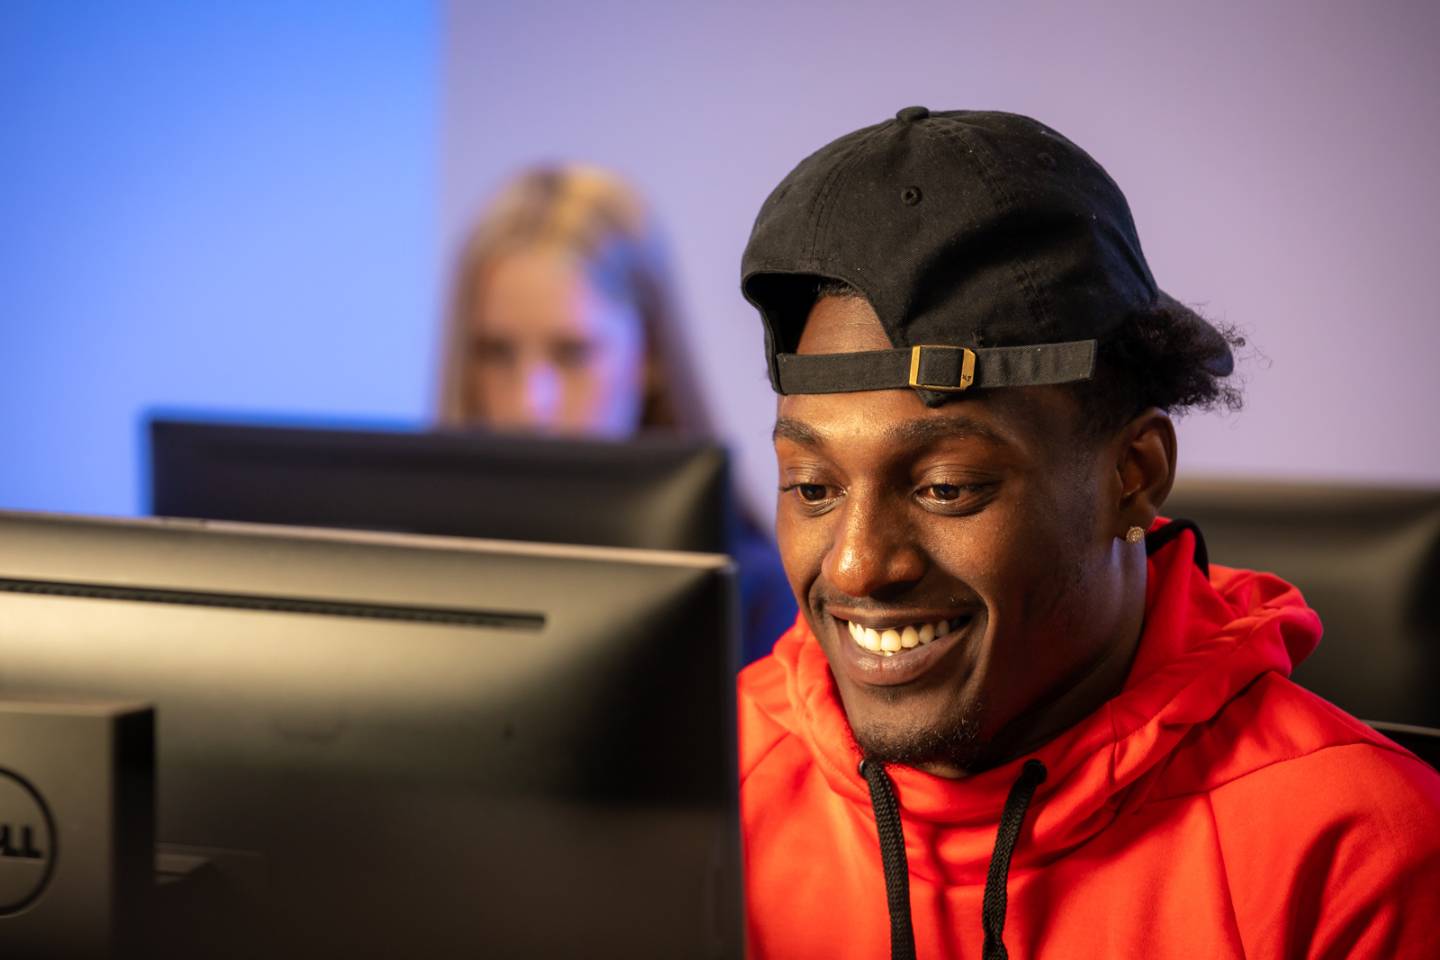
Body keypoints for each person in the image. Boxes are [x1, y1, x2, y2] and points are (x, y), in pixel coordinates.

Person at [736, 107, 1440, 958]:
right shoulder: (707, 781)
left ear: (1132, 475)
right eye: (813, 488)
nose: (855, 564)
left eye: (947, 488)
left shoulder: (1358, 855)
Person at [437, 164, 793, 663]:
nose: (529, 403)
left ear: (649, 357)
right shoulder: (417, 568)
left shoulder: (750, 595)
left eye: (572, 353)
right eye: (495, 353)